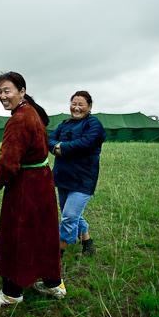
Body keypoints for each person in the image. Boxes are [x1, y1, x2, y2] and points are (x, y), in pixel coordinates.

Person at [0, 72, 64, 305]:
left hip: (25, 185)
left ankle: (11, 292)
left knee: (17, 234)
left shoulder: (19, 119)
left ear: (22, 91)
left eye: (6, 90)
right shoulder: (33, 112)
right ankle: (53, 284)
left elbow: (9, 161)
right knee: (43, 232)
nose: (2, 96)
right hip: (42, 182)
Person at [49, 91, 106, 261]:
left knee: (69, 216)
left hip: (83, 179)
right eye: (74, 103)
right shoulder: (64, 124)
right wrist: (55, 146)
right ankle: (87, 243)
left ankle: (58, 253)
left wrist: (61, 148)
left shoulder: (94, 124)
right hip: (63, 177)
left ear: (89, 106)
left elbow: (86, 143)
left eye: (81, 104)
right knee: (72, 213)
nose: (76, 107)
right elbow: (49, 139)